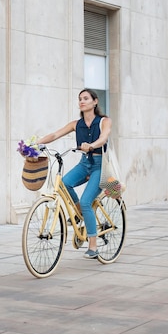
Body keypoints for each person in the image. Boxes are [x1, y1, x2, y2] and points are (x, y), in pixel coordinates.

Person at [37, 88, 112, 259]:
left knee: (86, 201)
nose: (82, 101)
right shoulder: (75, 124)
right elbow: (55, 134)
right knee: (63, 184)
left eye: (86, 98)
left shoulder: (104, 121)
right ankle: (79, 214)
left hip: (100, 166)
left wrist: (92, 145)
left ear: (95, 101)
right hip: (84, 164)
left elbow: (104, 137)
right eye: (80, 99)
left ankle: (93, 246)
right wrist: (36, 143)